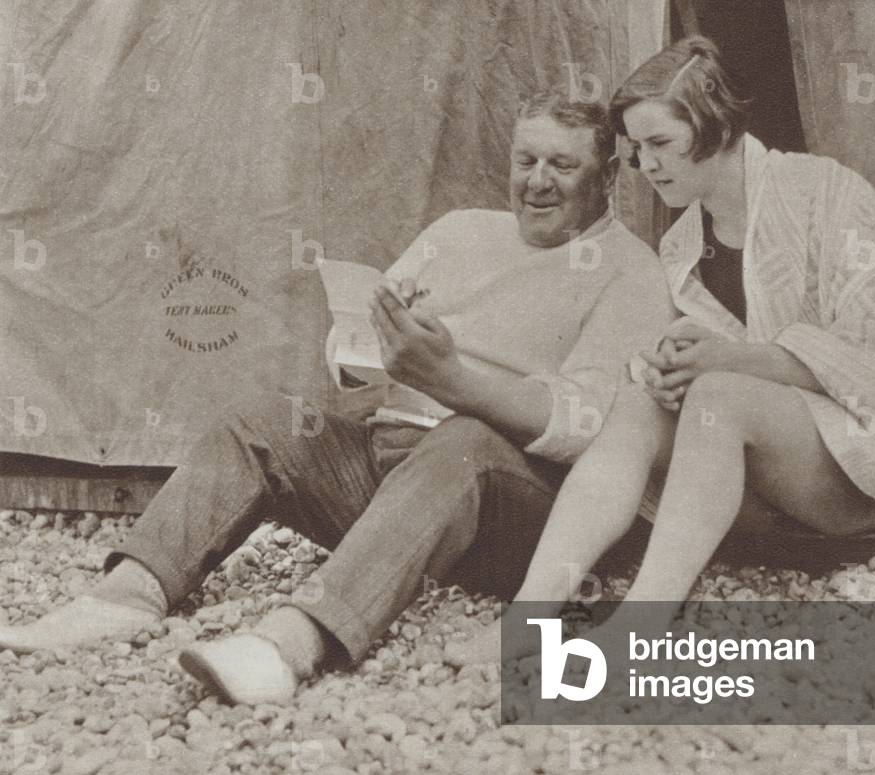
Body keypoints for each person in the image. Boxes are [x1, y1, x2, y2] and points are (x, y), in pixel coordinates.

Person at [0, 91, 674, 704]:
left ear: (608, 177)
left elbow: (588, 427)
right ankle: (129, 592)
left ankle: (288, 645)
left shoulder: (629, 272)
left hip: (526, 513)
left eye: (561, 165)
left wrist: (455, 382)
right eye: (525, 159)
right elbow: (357, 352)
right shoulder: (462, 231)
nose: (536, 181)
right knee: (258, 419)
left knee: (464, 440)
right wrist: (373, 342)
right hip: (402, 470)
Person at [446, 36, 875, 666]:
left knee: (718, 394)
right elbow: (707, 368)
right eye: (637, 151)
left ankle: (643, 623)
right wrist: (668, 372)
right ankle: (531, 612)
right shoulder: (684, 243)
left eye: (661, 143)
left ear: (714, 124)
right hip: (759, 485)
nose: (649, 166)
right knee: (639, 402)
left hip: (866, 474)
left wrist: (727, 363)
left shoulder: (825, 192)